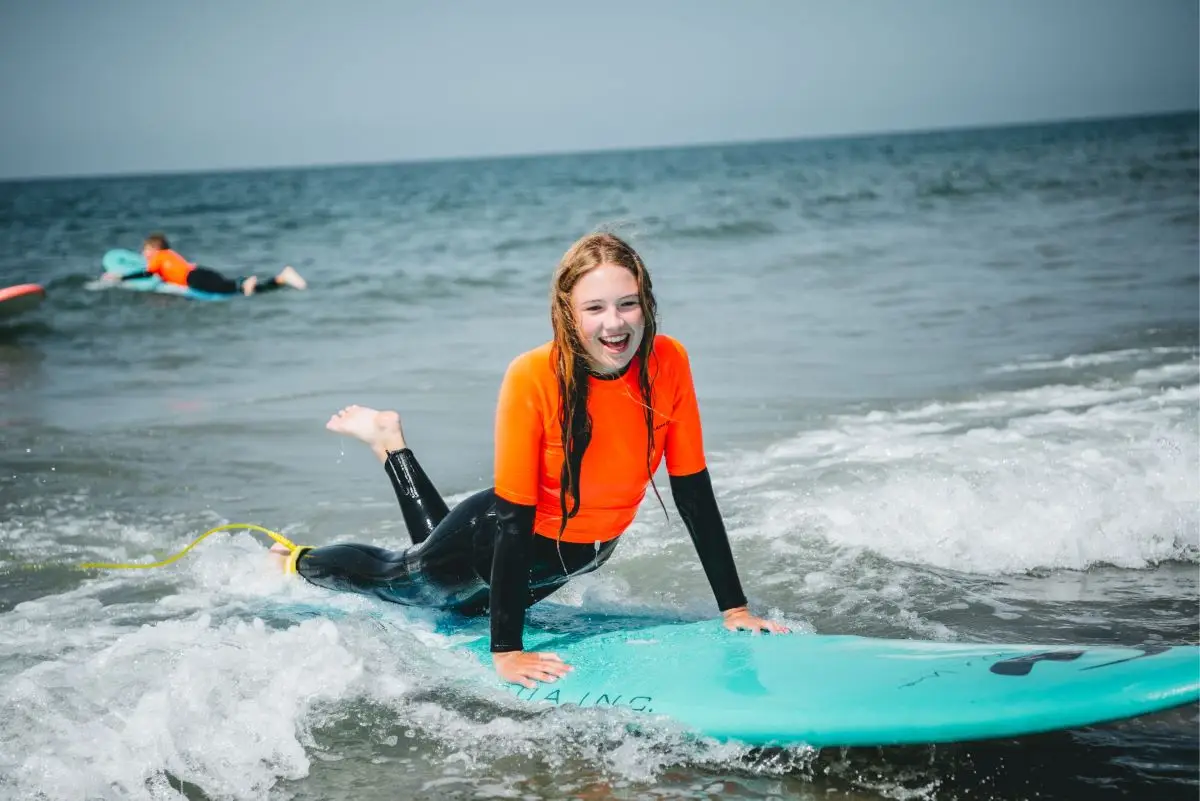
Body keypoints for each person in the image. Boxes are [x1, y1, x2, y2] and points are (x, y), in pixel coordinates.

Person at [277, 231, 789, 689]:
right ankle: (298, 559)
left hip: (580, 555)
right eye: (594, 308)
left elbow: (693, 491)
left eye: (628, 304)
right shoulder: (534, 375)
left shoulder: (669, 361)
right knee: (404, 578)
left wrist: (735, 609)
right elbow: (514, 520)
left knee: (454, 604)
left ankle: (390, 443)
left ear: (646, 303)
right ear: (567, 312)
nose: (614, 323)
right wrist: (507, 651)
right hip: (495, 540)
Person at [102, 233, 307, 297]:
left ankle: (246, 281)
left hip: (194, 278)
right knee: (240, 291)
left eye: (145, 250)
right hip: (199, 272)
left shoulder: (159, 256)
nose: (143, 254)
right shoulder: (170, 255)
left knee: (230, 288)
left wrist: (121, 277)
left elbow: (146, 274)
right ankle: (281, 279)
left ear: (154, 248)